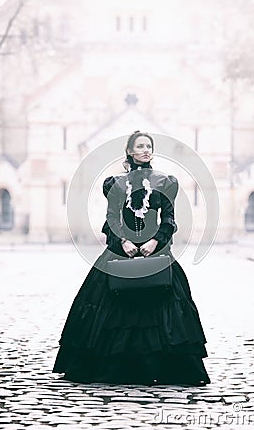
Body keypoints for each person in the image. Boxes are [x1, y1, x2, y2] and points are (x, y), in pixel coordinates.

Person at [52, 130, 211, 386]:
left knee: (166, 304)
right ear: (130, 151)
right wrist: (122, 242)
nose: (146, 150)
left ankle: (167, 369)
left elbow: (169, 219)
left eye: (149, 146)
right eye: (140, 146)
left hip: (155, 251)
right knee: (110, 306)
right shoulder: (114, 183)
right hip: (120, 250)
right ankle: (115, 368)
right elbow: (112, 218)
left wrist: (155, 241)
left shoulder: (164, 182)